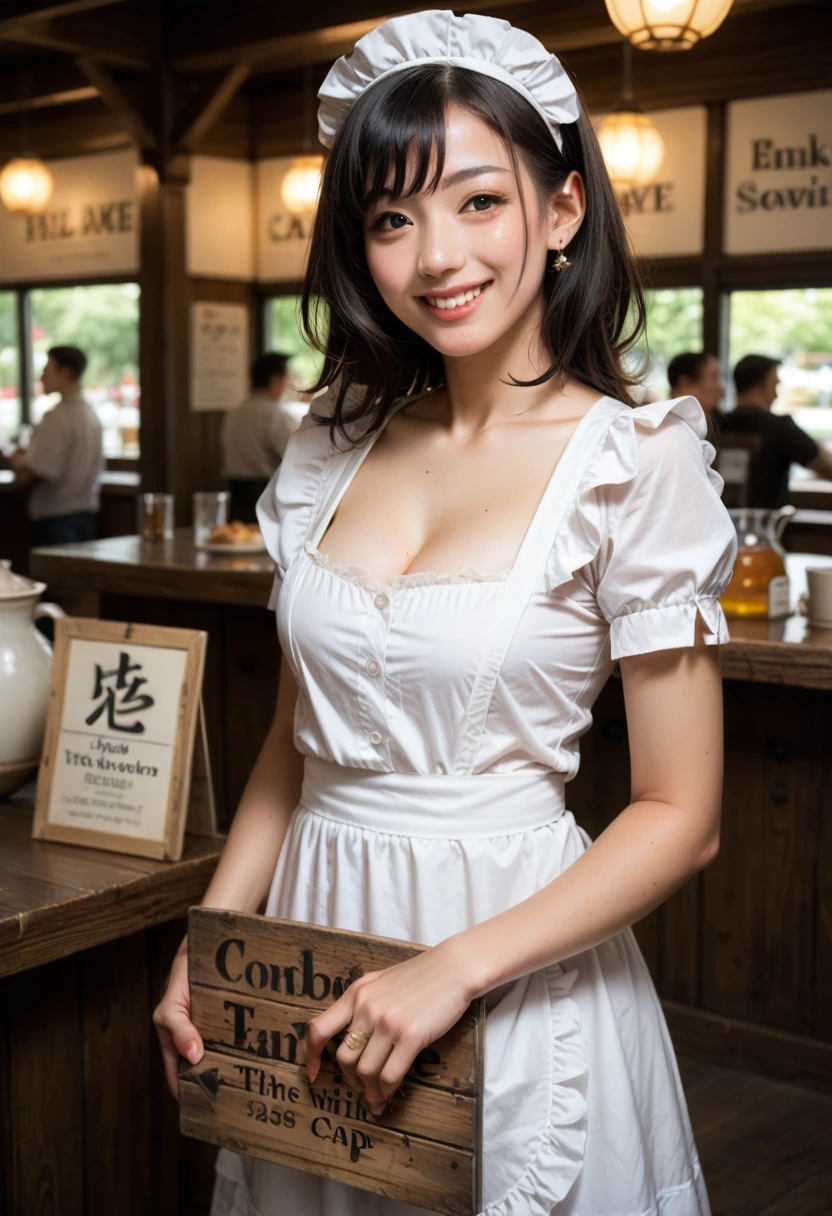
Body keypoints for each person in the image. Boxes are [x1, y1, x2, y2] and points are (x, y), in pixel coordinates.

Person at [154, 12, 737, 1215]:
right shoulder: (331, 448)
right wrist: (212, 945)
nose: (435, 256)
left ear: (562, 210)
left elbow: (683, 814)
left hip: (507, 947)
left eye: (478, 201)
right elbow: (290, 741)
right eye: (390, 217)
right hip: (309, 943)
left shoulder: (632, 462)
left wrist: (449, 972)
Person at [9, 345, 103, 545]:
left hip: (57, 519)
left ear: (66, 373)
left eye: (47, 369)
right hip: (86, 515)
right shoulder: (90, 414)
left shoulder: (57, 417)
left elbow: (39, 471)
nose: (41, 377)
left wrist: (17, 461)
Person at [712, 353, 832, 507]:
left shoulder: (715, 424)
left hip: (718, 523)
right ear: (761, 383)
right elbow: (827, 465)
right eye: (775, 377)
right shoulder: (779, 427)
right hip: (766, 526)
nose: (779, 382)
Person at [221, 351, 297, 523]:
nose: (289, 384)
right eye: (287, 378)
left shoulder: (234, 412)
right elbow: (297, 459)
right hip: (265, 500)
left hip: (235, 497)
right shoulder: (275, 415)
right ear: (275, 380)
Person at [668, 351, 725, 417]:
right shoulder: (661, 424)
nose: (720, 388)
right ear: (684, 383)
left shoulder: (723, 423)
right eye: (714, 377)